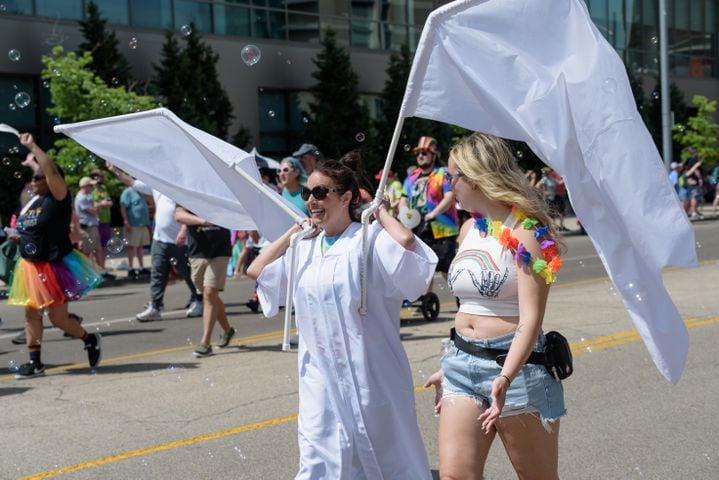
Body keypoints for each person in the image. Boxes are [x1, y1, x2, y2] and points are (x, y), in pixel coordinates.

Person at [247, 159, 438, 479]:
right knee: (321, 459)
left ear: (346, 197)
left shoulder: (369, 239)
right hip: (319, 381)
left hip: (372, 377)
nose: (311, 200)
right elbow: (257, 272)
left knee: (388, 457)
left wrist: (381, 214)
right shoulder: (304, 247)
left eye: (320, 192)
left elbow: (410, 253)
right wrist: (293, 231)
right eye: (307, 192)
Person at [424, 132, 566, 479]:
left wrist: (504, 376)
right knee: (455, 476)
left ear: (475, 176)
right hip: (461, 363)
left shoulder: (530, 232)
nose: (448, 185)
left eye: (452, 176)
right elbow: (469, 306)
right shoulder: (469, 228)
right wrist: (453, 362)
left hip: (517, 368)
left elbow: (531, 319)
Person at [7, 133, 103, 379]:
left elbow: (49, 171)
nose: (34, 180)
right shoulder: (32, 202)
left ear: (51, 179)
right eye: (33, 177)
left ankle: (89, 338)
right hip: (30, 266)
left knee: (58, 319)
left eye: (39, 177)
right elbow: (28, 227)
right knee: (31, 313)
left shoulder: (58, 198)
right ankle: (35, 362)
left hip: (54, 264)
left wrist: (32, 146)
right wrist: (18, 236)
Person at [106, 163, 203, 321]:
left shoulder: (182, 189)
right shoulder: (156, 186)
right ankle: (155, 307)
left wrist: (184, 231)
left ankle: (198, 300)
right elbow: (131, 182)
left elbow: (191, 212)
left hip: (180, 240)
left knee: (188, 274)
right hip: (159, 239)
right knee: (157, 273)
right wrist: (115, 170)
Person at [399, 136, 459, 293]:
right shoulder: (411, 177)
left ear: (434, 155)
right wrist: (405, 215)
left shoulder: (443, 173)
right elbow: (403, 199)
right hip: (419, 226)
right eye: (418, 153)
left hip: (442, 227)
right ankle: (427, 299)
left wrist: (433, 214)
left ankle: (460, 295)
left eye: (425, 152)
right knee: (425, 267)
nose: (420, 156)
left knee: (446, 267)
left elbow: (450, 197)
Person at [74, 176, 107, 267]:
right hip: (87, 228)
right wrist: (101, 204)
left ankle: (101, 271)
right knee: (87, 251)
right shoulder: (81, 198)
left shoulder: (88, 196)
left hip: (92, 226)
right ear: (85, 186)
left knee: (97, 249)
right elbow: (93, 210)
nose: (92, 188)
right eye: (91, 186)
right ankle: (89, 273)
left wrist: (97, 206)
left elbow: (97, 210)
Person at [119, 184, 151, 276]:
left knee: (140, 246)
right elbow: (123, 207)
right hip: (133, 224)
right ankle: (130, 268)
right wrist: (126, 221)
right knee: (131, 246)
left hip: (142, 224)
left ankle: (141, 267)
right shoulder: (128, 191)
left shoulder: (141, 192)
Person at [89, 168, 115, 278]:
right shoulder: (90, 190)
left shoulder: (103, 188)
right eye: (98, 176)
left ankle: (103, 269)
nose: (101, 178)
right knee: (96, 248)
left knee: (104, 247)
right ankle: (96, 270)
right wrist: (102, 203)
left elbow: (109, 202)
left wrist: (106, 203)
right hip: (96, 222)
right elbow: (93, 204)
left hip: (105, 221)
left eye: (101, 176)